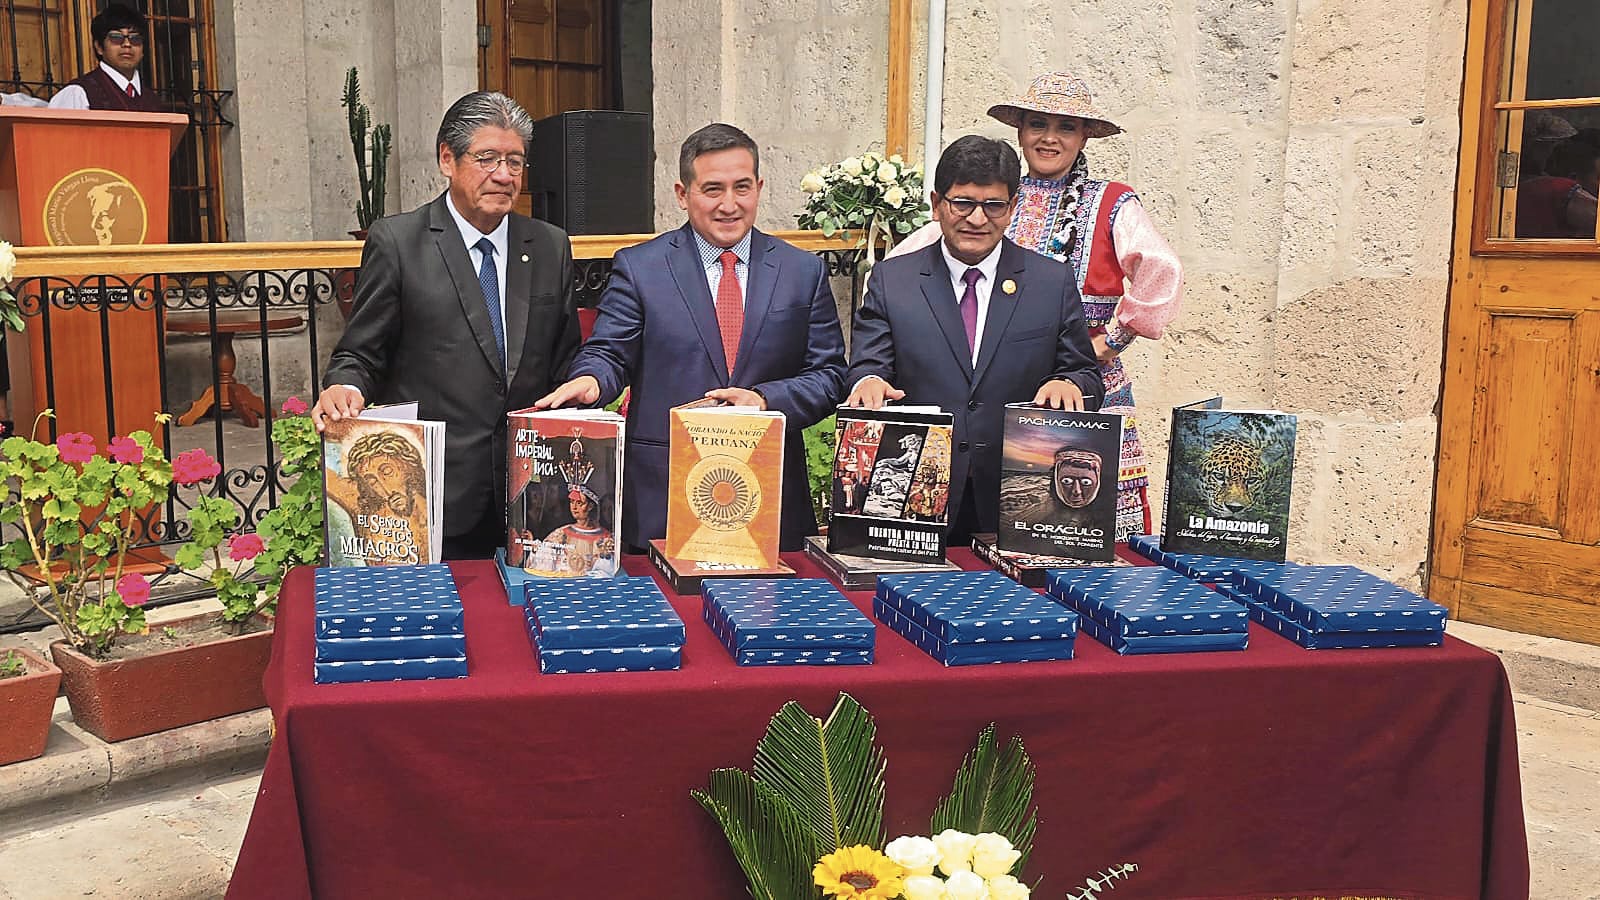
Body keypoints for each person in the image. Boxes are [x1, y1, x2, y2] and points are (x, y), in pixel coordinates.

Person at [891, 72, 1182, 539]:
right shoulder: (996, 194)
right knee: (1000, 513)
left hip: (1080, 386)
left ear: (1085, 135)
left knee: (1080, 528)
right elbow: (912, 259)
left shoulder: (1109, 202)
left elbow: (1162, 269)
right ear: (1020, 132)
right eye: (1038, 124)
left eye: (1066, 127)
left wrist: (1113, 339)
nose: (1050, 138)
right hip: (997, 388)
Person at [536, 123, 846, 552]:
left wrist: (763, 400)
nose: (729, 204)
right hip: (664, 493)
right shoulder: (641, 268)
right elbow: (609, 352)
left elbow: (829, 375)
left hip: (768, 496)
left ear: (759, 187)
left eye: (742, 187)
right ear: (683, 194)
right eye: (712, 189)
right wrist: (591, 381)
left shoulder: (801, 272)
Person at [313, 91, 582, 559]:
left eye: (515, 161)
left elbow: (564, 361)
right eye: (487, 158)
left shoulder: (550, 246)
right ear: (447, 159)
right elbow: (360, 353)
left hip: (531, 499)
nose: (504, 175)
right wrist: (343, 387)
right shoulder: (398, 243)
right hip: (433, 498)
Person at [846, 134, 1104, 544]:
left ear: (1013, 207)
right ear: (936, 204)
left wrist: (1069, 383)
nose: (977, 219)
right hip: (917, 498)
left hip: (1016, 500)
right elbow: (867, 365)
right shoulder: (893, 280)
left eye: (993, 205)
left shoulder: (1050, 283)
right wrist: (868, 383)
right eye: (962, 203)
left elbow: (1086, 375)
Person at [48, 4, 163, 112]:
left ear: (143, 49)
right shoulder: (78, 93)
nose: (127, 44)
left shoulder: (153, 101)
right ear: (99, 47)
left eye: (135, 38)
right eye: (116, 37)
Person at [540, 486, 616, 575]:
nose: (574, 507)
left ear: (590, 506)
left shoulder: (605, 538)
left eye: (579, 503)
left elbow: (608, 572)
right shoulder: (561, 534)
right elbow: (544, 564)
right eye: (572, 502)